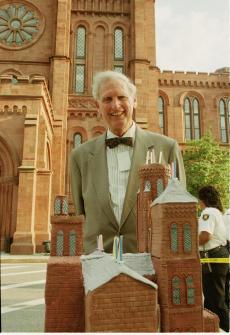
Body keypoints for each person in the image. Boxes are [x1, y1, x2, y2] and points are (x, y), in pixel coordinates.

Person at [70, 70, 186, 254]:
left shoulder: (167, 148)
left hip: (153, 258)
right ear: (98, 106)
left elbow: (179, 210)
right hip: (98, 261)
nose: (115, 105)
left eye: (122, 97)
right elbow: (80, 213)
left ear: (134, 101)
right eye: (107, 99)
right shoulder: (80, 156)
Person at [198, 186, 229, 332]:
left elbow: (205, 236)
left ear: (201, 199)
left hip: (213, 258)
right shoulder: (216, 212)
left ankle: (224, 329)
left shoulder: (208, 212)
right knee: (217, 301)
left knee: (214, 302)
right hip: (219, 256)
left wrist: (187, 244)